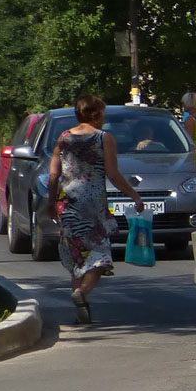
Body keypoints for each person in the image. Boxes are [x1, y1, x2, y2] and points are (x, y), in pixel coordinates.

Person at [47, 94, 144, 324]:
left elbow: (53, 174)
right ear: (96, 114)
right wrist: (134, 195)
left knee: (77, 257)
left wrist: (50, 203)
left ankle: (80, 309)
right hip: (92, 206)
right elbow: (113, 174)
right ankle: (82, 293)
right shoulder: (104, 139)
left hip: (67, 204)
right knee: (101, 257)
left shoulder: (64, 138)